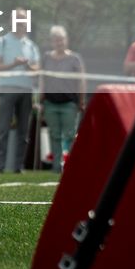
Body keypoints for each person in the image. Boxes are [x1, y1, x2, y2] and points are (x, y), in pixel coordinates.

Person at [0, 13, 39, 174]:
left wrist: (26, 66)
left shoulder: (31, 46)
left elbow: (36, 69)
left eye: (23, 20)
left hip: (26, 90)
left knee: (23, 131)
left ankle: (19, 166)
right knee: (3, 129)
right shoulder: (1, 41)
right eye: (17, 20)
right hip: (7, 89)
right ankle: (0, 166)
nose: (20, 23)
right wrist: (14, 64)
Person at [39, 25, 86, 174]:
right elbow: (42, 79)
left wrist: (81, 100)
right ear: (52, 41)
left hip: (69, 103)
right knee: (54, 135)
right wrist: (40, 98)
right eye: (56, 40)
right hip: (51, 103)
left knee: (70, 135)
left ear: (66, 40)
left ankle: (72, 166)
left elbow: (81, 81)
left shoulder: (75, 58)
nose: (59, 43)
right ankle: (56, 167)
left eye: (61, 39)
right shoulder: (46, 57)